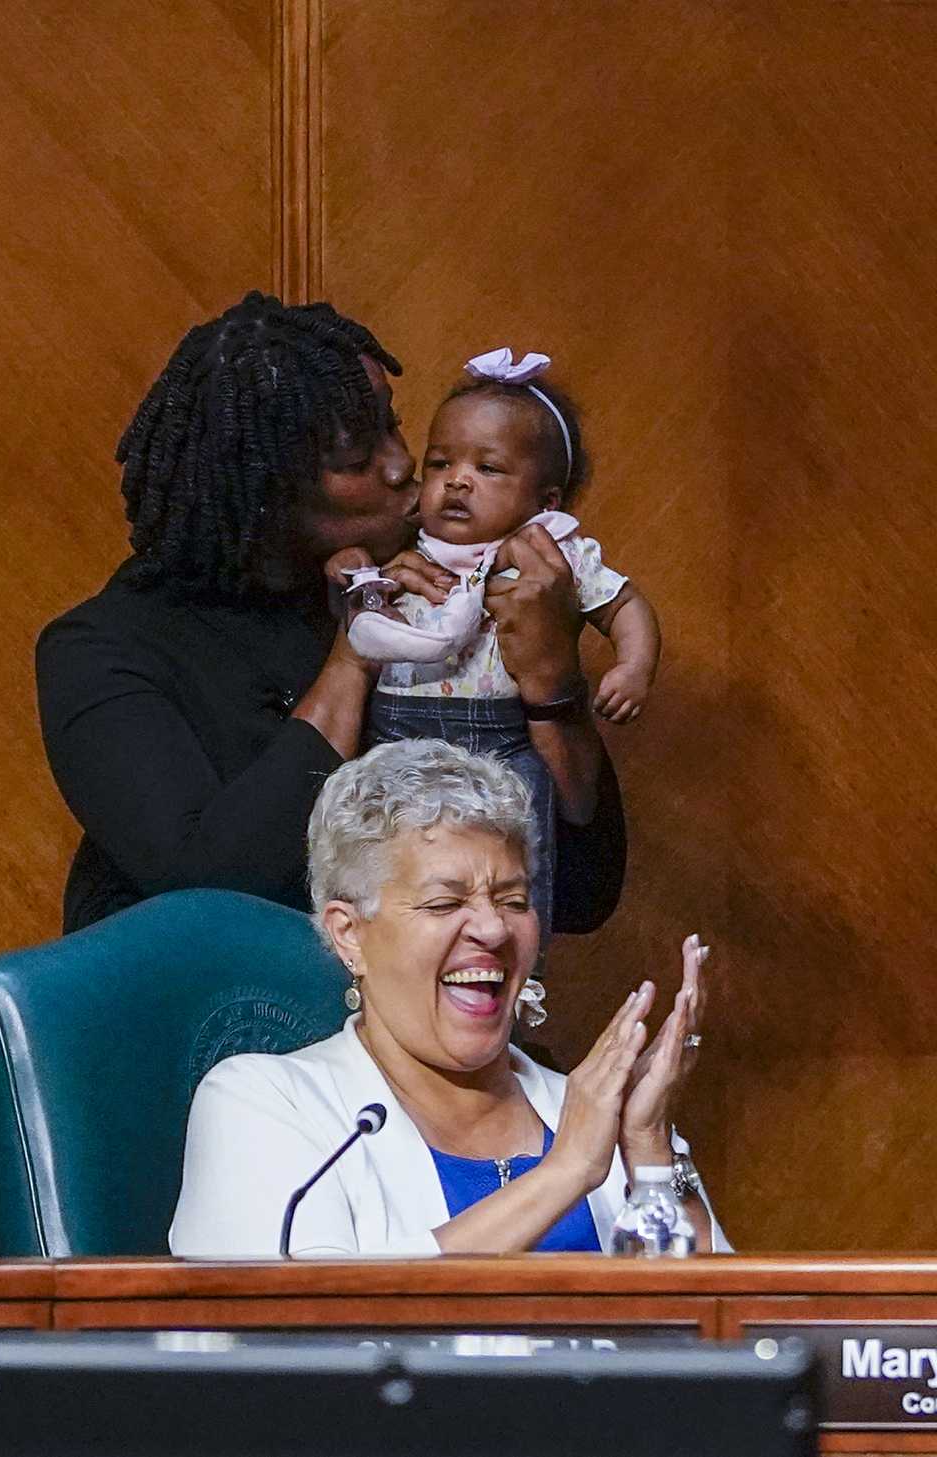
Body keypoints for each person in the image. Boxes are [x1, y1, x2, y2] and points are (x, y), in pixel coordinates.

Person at [36, 291, 627, 935]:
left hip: (409, 1020)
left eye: (392, 424)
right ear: (266, 491)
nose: (404, 466)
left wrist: (552, 684)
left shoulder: (440, 589)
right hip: (217, 1020)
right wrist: (354, 657)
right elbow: (212, 890)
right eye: (354, 459)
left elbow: (580, 894)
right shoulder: (103, 650)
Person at [169, 739, 725, 1257]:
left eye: (513, 900)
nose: (492, 928)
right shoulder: (263, 1103)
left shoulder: (591, 1110)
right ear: (349, 934)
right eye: (442, 904)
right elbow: (308, 1325)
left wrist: (649, 1143)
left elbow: (730, 1335)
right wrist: (565, 1171)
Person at [336, 348, 661, 941]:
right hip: (397, 730)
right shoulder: (410, 542)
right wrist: (352, 572)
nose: (456, 480)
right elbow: (355, 580)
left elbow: (627, 605)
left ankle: (518, 952)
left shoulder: (553, 554)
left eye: (489, 469)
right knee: (374, 830)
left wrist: (633, 666)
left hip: (501, 738)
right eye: (440, 463)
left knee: (517, 837)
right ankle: (370, 941)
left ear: (546, 502)